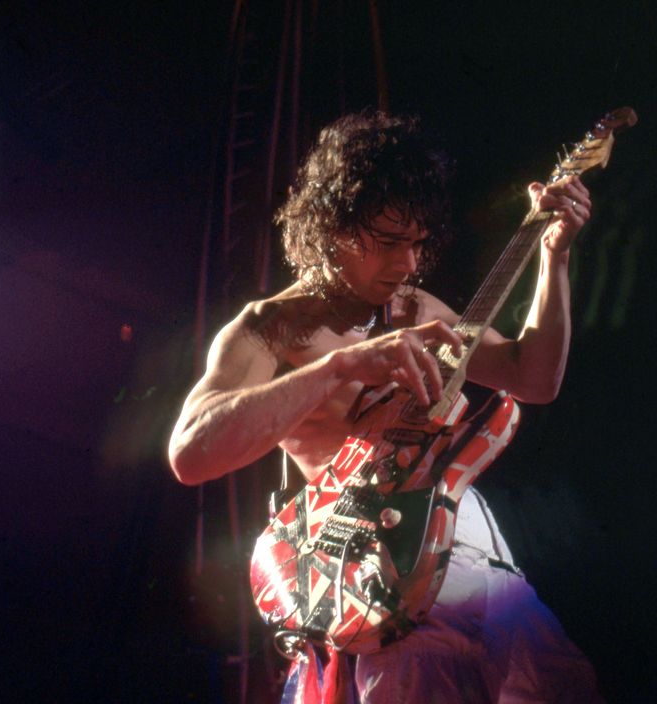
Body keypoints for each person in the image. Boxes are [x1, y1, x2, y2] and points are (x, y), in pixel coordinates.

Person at [168, 111, 602, 703]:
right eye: (388, 243)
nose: (405, 265)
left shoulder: (413, 307)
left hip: (464, 549)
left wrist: (555, 257)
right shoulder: (266, 331)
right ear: (329, 228)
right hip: (367, 578)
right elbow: (191, 453)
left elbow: (532, 378)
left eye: (417, 244)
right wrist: (343, 365)